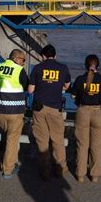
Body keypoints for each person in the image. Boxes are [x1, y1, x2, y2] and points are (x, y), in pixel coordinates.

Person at [71, 54, 101, 183]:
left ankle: (80, 175)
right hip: (98, 113)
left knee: (82, 145)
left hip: (83, 112)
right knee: (96, 146)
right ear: (98, 65)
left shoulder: (80, 79)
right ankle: (95, 175)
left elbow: (73, 96)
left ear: (85, 65)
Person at [28, 44, 71, 181]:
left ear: (43, 56)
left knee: (42, 141)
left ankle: (45, 171)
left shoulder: (37, 68)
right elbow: (67, 86)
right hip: (55, 108)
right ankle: (61, 169)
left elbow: (30, 90)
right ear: (55, 56)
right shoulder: (63, 68)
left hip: (39, 108)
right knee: (58, 140)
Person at [0, 49, 29, 179]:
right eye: (23, 60)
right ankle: (8, 170)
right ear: (17, 58)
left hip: (0, 109)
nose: (24, 63)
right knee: (12, 140)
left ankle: (11, 161)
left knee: (8, 135)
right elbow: (26, 86)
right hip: (15, 110)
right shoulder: (19, 70)